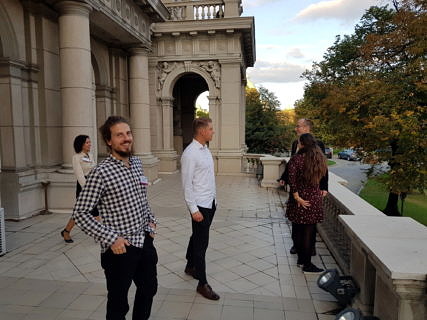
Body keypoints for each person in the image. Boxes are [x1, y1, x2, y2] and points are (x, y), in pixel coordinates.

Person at [72, 116, 158, 320]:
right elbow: (80, 213)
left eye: (128, 133)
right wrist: (111, 239)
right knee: (118, 304)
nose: (126, 138)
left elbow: (141, 196)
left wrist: (151, 221)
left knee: (149, 289)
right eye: (119, 135)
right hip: (119, 249)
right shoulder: (101, 172)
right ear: (109, 141)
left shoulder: (137, 163)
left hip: (143, 240)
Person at [181, 118, 220, 300]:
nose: (213, 132)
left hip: (210, 203)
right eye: (211, 129)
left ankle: (190, 266)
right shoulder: (190, 154)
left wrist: (214, 201)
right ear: (202, 131)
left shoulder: (205, 150)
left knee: (196, 237)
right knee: (201, 244)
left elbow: (207, 179)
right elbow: (186, 184)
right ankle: (202, 283)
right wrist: (193, 209)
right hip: (200, 207)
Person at [279, 118, 325, 255]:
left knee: (310, 220)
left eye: (298, 126)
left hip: (311, 189)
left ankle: (310, 247)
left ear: (306, 128)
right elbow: (292, 164)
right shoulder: (295, 144)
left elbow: (323, 168)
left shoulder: (319, 144)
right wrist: (284, 177)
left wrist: (324, 186)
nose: (296, 129)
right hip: (296, 189)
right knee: (295, 219)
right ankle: (296, 244)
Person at [286, 133, 328, 274]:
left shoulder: (296, 159)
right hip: (313, 199)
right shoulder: (319, 158)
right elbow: (323, 176)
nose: (297, 144)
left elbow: (292, 180)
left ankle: (302, 261)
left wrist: (297, 197)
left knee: (297, 231)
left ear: (302, 144)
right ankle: (307, 263)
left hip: (299, 200)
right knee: (309, 233)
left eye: (299, 142)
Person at [61, 135, 99, 243]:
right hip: (84, 187)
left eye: (90, 142)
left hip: (93, 184)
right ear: (81, 144)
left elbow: (94, 169)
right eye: (87, 142)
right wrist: (88, 190)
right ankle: (66, 231)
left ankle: (99, 234)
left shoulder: (90, 155)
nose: (90, 144)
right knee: (80, 212)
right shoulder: (76, 157)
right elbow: (80, 175)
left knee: (94, 210)